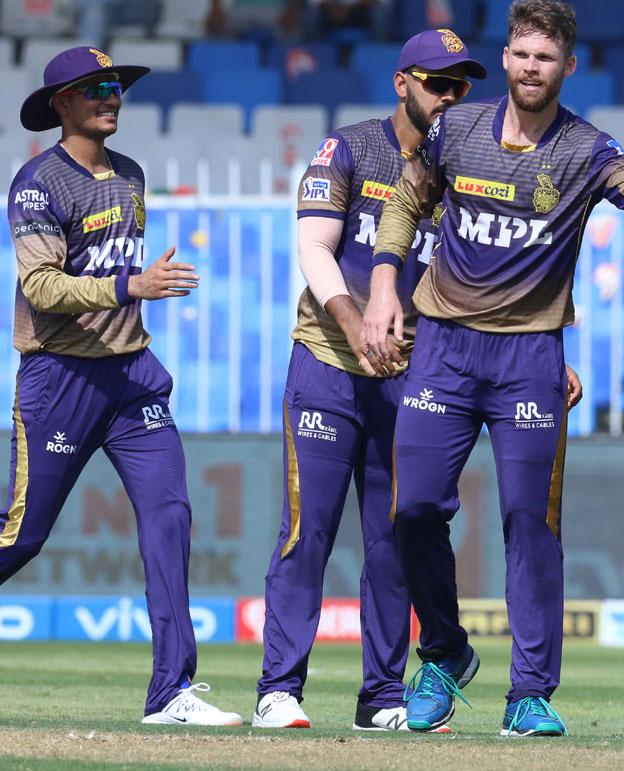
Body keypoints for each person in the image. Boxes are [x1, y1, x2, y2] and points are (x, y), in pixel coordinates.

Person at [361, 0, 624, 737]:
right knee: (411, 510)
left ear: (567, 67)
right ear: (505, 58)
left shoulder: (586, 147)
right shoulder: (457, 127)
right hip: (443, 346)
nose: (530, 68)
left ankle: (530, 693)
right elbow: (405, 202)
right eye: (520, 54)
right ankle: (444, 652)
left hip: (528, 359)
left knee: (529, 522)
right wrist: (384, 283)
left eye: (545, 58)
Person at [252, 28, 490, 733]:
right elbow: (314, 246)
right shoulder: (349, 149)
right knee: (308, 530)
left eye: (459, 86)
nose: (447, 96)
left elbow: (487, 279)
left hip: (411, 377)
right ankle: (279, 689)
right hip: (328, 359)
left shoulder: (467, 169)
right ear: (402, 83)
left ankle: (381, 694)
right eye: (435, 82)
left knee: (393, 540)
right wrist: (354, 319)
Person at [0, 46, 241, 726]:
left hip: (134, 378)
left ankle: (171, 692)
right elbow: (41, 286)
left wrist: (131, 295)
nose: (112, 96)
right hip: (60, 376)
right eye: (96, 88)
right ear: (61, 104)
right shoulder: (38, 183)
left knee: (170, 519)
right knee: (22, 537)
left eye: (116, 86)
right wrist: (131, 285)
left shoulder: (131, 175)